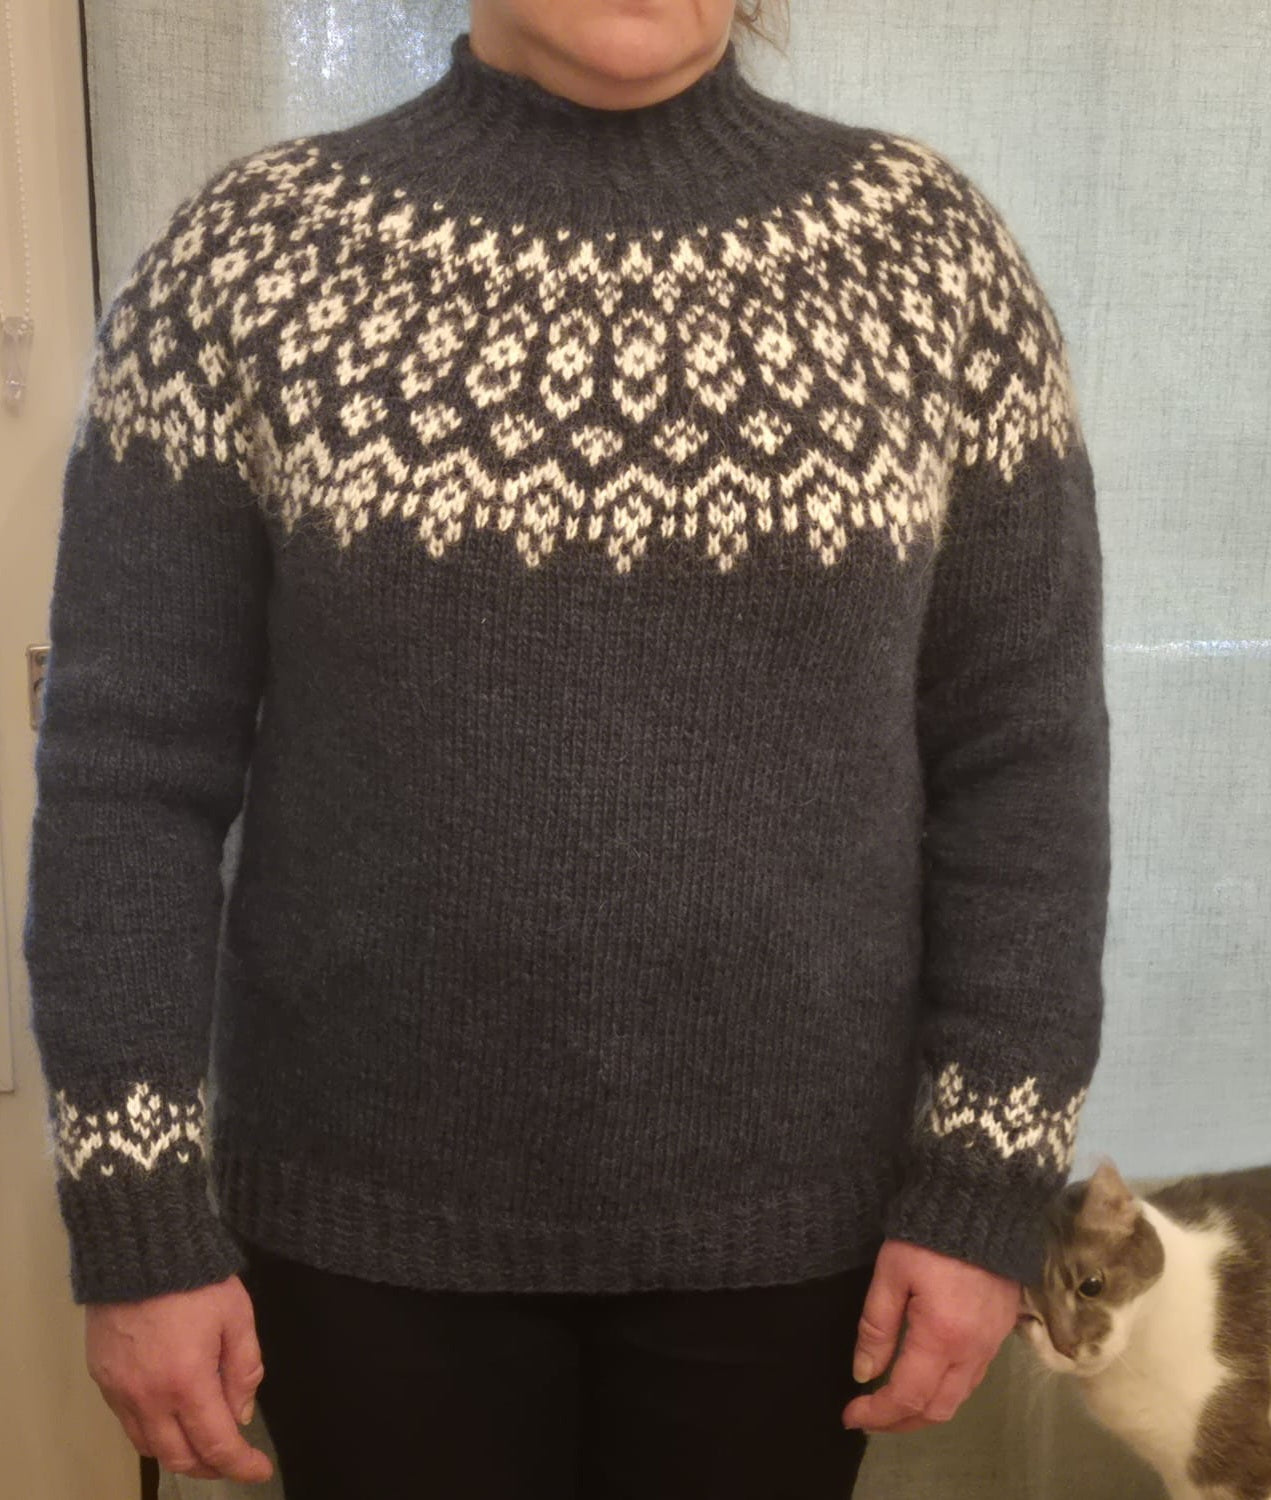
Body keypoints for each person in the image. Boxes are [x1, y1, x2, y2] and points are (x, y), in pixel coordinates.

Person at [23, 0, 1110, 1494]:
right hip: (359, 1241)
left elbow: (1024, 763)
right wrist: (138, 1220)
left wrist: (983, 1187)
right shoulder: (250, 261)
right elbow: (129, 776)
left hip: (800, 1248)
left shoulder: (927, 261)